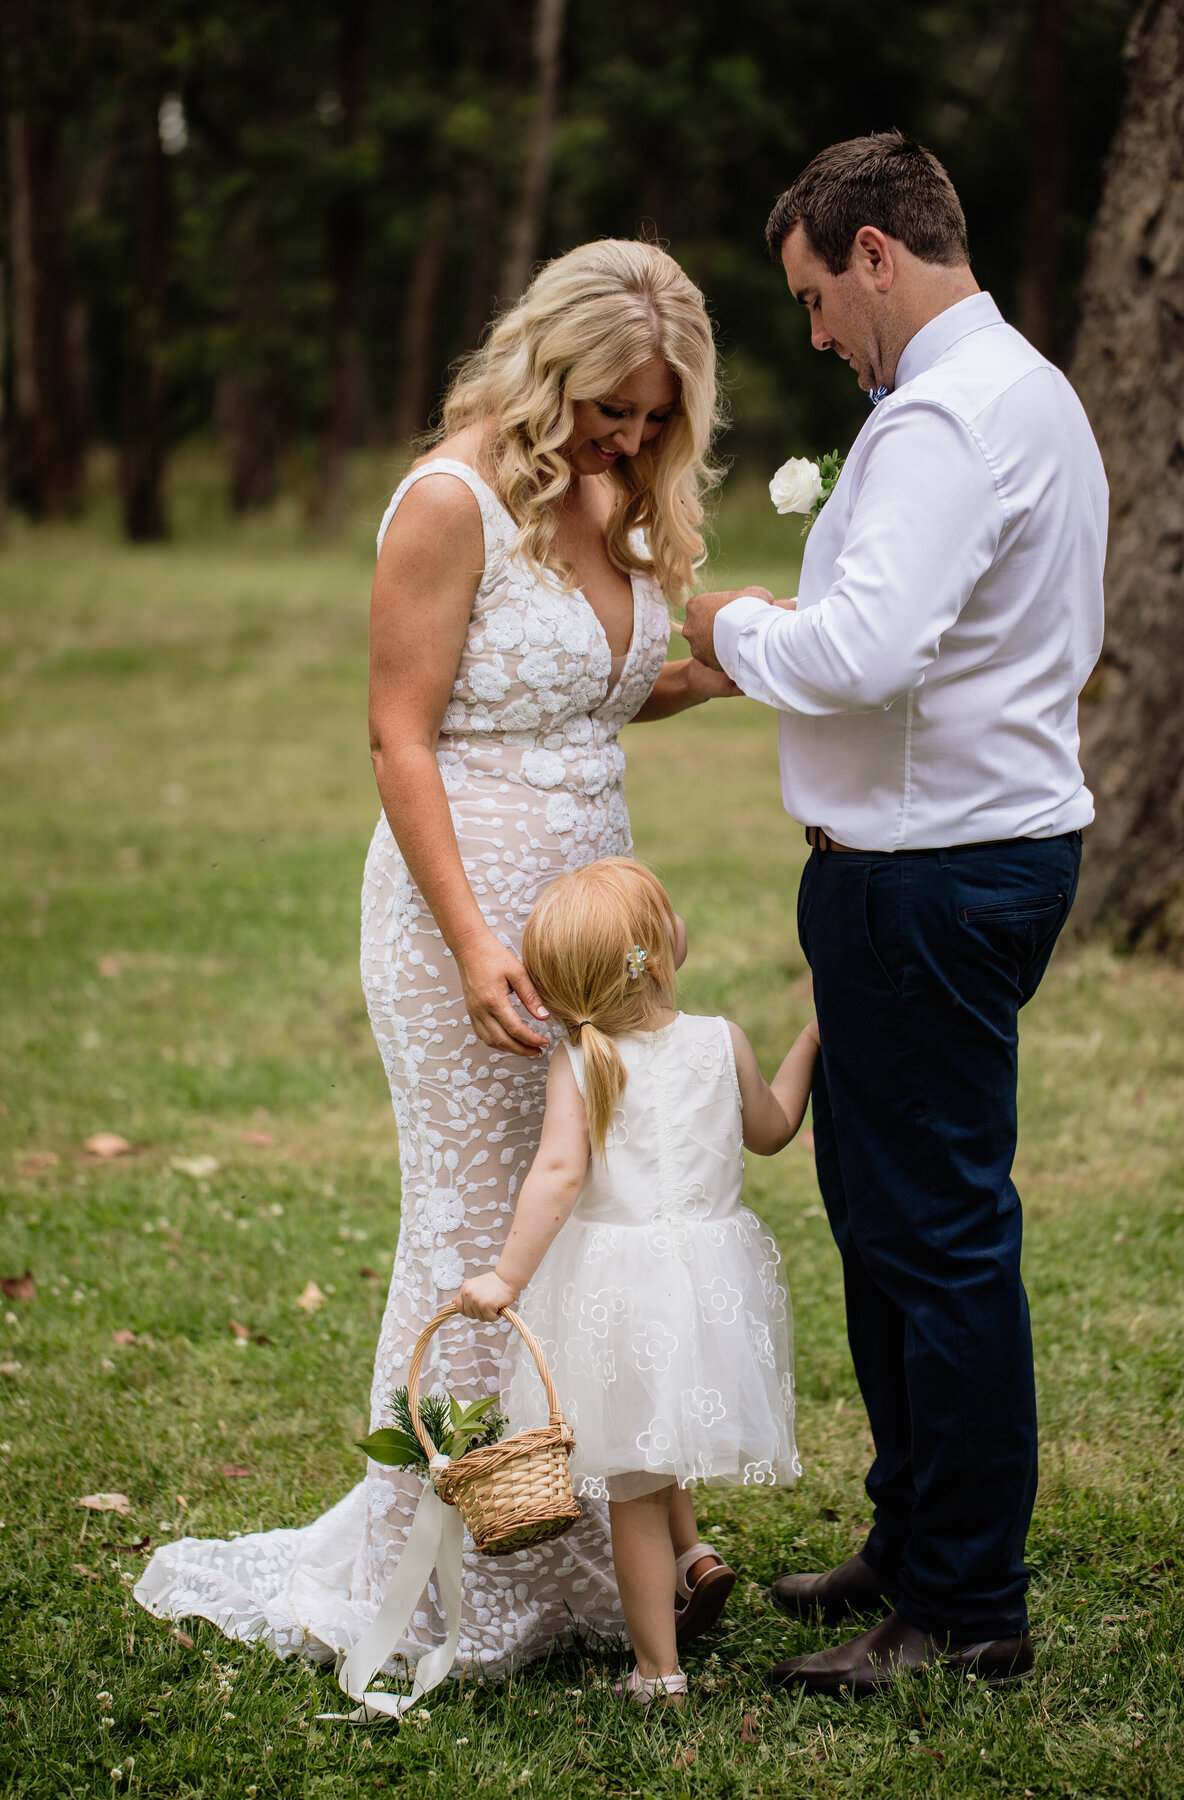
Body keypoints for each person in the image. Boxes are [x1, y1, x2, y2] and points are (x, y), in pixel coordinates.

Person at [136, 239, 742, 1679]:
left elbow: (589, 691)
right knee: (482, 1228)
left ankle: (614, 1541)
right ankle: (454, 1569)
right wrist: (474, 942)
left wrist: (722, 668)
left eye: (661, 417)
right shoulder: (449, 500)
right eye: (614, 409)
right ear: (551, 365)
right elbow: (403, 732)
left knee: (591, 1209)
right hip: (456, 910)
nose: (633, 438)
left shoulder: (612, 490)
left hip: (590, 918)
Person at [683, 131, 1107, 1696]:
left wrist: (721, 620)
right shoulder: (1023, 396)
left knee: (935, 1240)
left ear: (876, 254)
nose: (814, 332)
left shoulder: (944, 420)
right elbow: (918, 637)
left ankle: (966, 1610)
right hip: (946, 860)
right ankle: (911, 1535)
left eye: (812, 296)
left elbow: (860, 656)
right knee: (882, 1214)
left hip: (931, 878)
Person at [459, 857, 818, 1703]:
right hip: (706, 1285)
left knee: (633, 1492)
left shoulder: (582, 1063)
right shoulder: (721, 1038)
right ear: (658, 957)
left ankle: (659, 1671)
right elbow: (772, 1130)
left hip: (618, 1290)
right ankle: (688, 1572)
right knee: (667, 1437)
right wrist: (811, 1039)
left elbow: (554, 1174)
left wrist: (508, 1276)